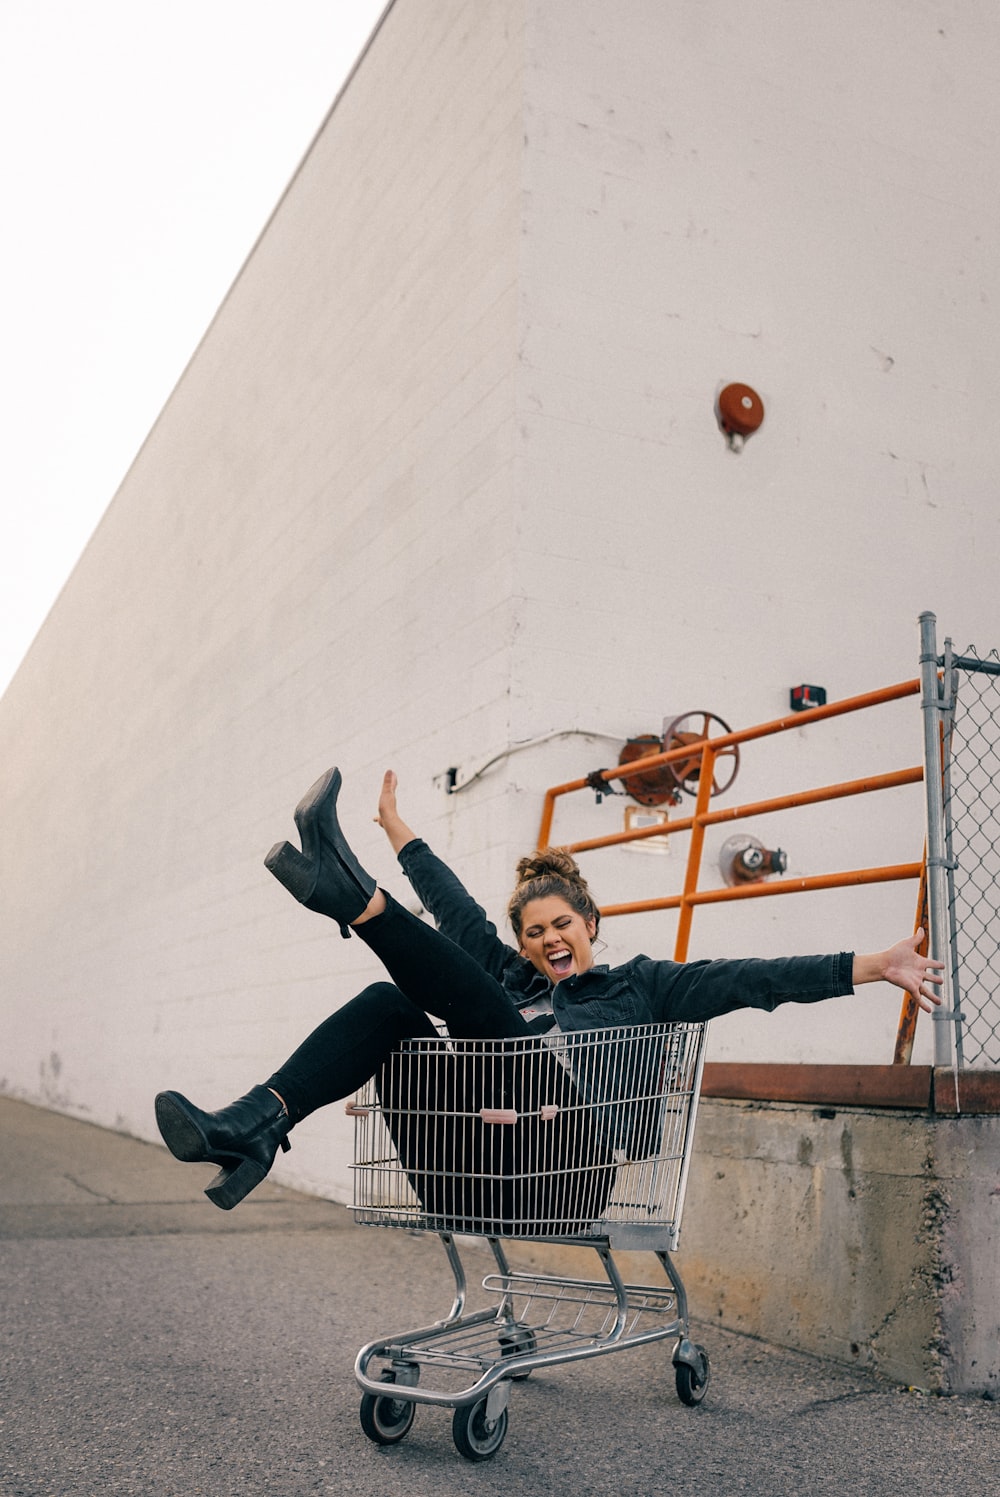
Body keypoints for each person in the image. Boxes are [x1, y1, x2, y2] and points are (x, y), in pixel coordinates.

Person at [154, 766, 944, 1220]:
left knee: (491, 1019)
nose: (546, 941)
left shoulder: (643, 987)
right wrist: (398, 829)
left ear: (590, 921)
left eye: (560, 924)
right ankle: (254, 1125)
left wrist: (874, 963)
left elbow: (754, 980)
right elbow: (456, 910)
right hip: (464, 1161)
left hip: (563, 1172)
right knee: (392, 1004)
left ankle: (351, 897)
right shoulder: (507, 978)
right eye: (532, 933)